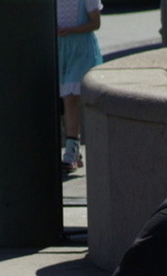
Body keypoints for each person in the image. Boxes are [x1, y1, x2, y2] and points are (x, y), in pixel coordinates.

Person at [56, 0, 103, 172]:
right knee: (64, 99)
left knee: (71, 98)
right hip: (59, 49)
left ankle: (70, 151)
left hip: (81, 49)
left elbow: (95, 23)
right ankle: (73, 146)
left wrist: (71, 30)